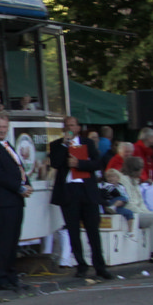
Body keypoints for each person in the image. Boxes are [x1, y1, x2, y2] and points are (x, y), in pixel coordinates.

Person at [49, 115, 111, 280]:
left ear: (78, 127)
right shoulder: (56, 145)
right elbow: (55, 163)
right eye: (67, 126)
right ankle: (81, 265)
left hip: (86, 190)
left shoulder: (87, 143)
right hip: (69, 191)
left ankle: (100, 266)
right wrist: (64, 145)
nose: (70, 128)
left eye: (73, 125)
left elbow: (97, 163)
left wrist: (80, 164)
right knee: (73, 231)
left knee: (93, 230)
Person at [0, 111, 32, 293]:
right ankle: (0, 277)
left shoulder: (8, 145)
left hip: (15, 200)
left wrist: (27, 184)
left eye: (4, 127)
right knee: (3, 240)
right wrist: (19, 187)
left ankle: (11, 276)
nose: (2, 130)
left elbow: (19, 168)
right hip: (2, 200)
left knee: (13, 240)